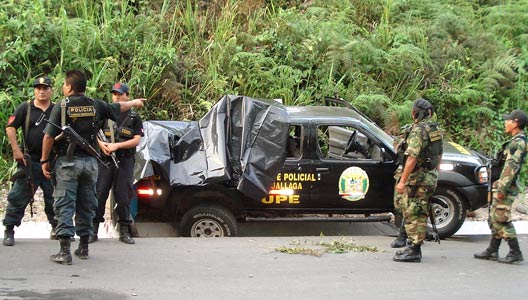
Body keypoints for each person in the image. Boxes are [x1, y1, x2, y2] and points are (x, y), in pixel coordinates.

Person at [40, 70, 145, 265]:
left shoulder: (63, 106)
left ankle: (64, 251)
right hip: (91, 164)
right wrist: (134, 102)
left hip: (68, 163)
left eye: (64, 84)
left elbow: (48, 137)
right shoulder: (95, 104)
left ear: (69, 87)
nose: (63, 87)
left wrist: (44, 160)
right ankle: (84, 246)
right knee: (87, 203)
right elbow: (118, 107)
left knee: (64, 203)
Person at [3, 76, 57, 246]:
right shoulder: (25, 108)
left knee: (55, 197)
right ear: (34, 90)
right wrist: (16, 149)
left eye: (45, 88)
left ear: (51, 90)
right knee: (18, 197)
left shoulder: (57, 109)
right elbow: (10, 127)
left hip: (51, 162)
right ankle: (9, 230)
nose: (41, 91)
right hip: (30, 162)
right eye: (38, 88)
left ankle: (57, 229)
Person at [90, 82, 143, 244]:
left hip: (125, 160)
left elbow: (136, 140)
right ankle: (93, 230)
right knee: (99, 194)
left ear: (127, 96)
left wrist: (117, 145)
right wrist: (102, 145)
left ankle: (124, 231)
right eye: (114, 94)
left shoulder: (134, 117)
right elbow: (93, 133)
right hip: (105, 160)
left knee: (123, 195)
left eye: (120, 94)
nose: (117, 96)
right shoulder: (105, 114)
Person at [392, 98, 443, 262]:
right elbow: (439, 153)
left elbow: (412, 158)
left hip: (418, 179)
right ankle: (409, 243)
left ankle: (414, 250)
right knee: (418, 210)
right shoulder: (434, 129)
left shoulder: (418, 131)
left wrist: (402, 181)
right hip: (429, 176)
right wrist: (435, 171)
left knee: (415, 213)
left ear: (417, 113)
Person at [474, 109, 527, 264]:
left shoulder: (519, 142)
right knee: (494, 216)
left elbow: (511, 167)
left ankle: (515, 251)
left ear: (516, 123)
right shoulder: (515, 140)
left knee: (501, 217)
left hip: (507, 187)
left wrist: (502, 188)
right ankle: (492, 249)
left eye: (508, 120)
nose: (506, 123)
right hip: (501, 184)